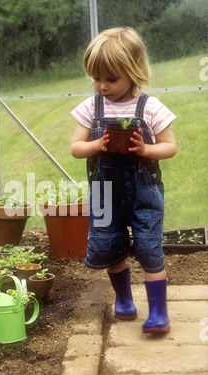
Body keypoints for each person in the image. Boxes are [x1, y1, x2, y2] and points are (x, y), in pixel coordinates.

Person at [70, 27, 177, 333]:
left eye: (111, 79)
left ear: (133, 72)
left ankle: (158, 311)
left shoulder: (150, 107)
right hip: (104, 192)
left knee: (148, 247)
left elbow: (170, 147)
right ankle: (125, 300)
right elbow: (76, 148)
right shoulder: (91, 108)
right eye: (96, 78)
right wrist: (95, 146)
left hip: (143, 191)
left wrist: (145, 148)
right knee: (108, 244)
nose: (102, 86)